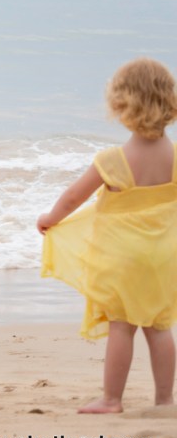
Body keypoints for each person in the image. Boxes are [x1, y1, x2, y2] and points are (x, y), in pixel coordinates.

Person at [38, 58, 177, 414]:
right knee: (160, 327)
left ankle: (112, 399)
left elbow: (73, 197)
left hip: (122, 256)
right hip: (164, 255)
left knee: (122, 325)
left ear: (121, 104)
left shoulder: (113, 159)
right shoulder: (175, 157)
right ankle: (165, 400)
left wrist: (50, 219)